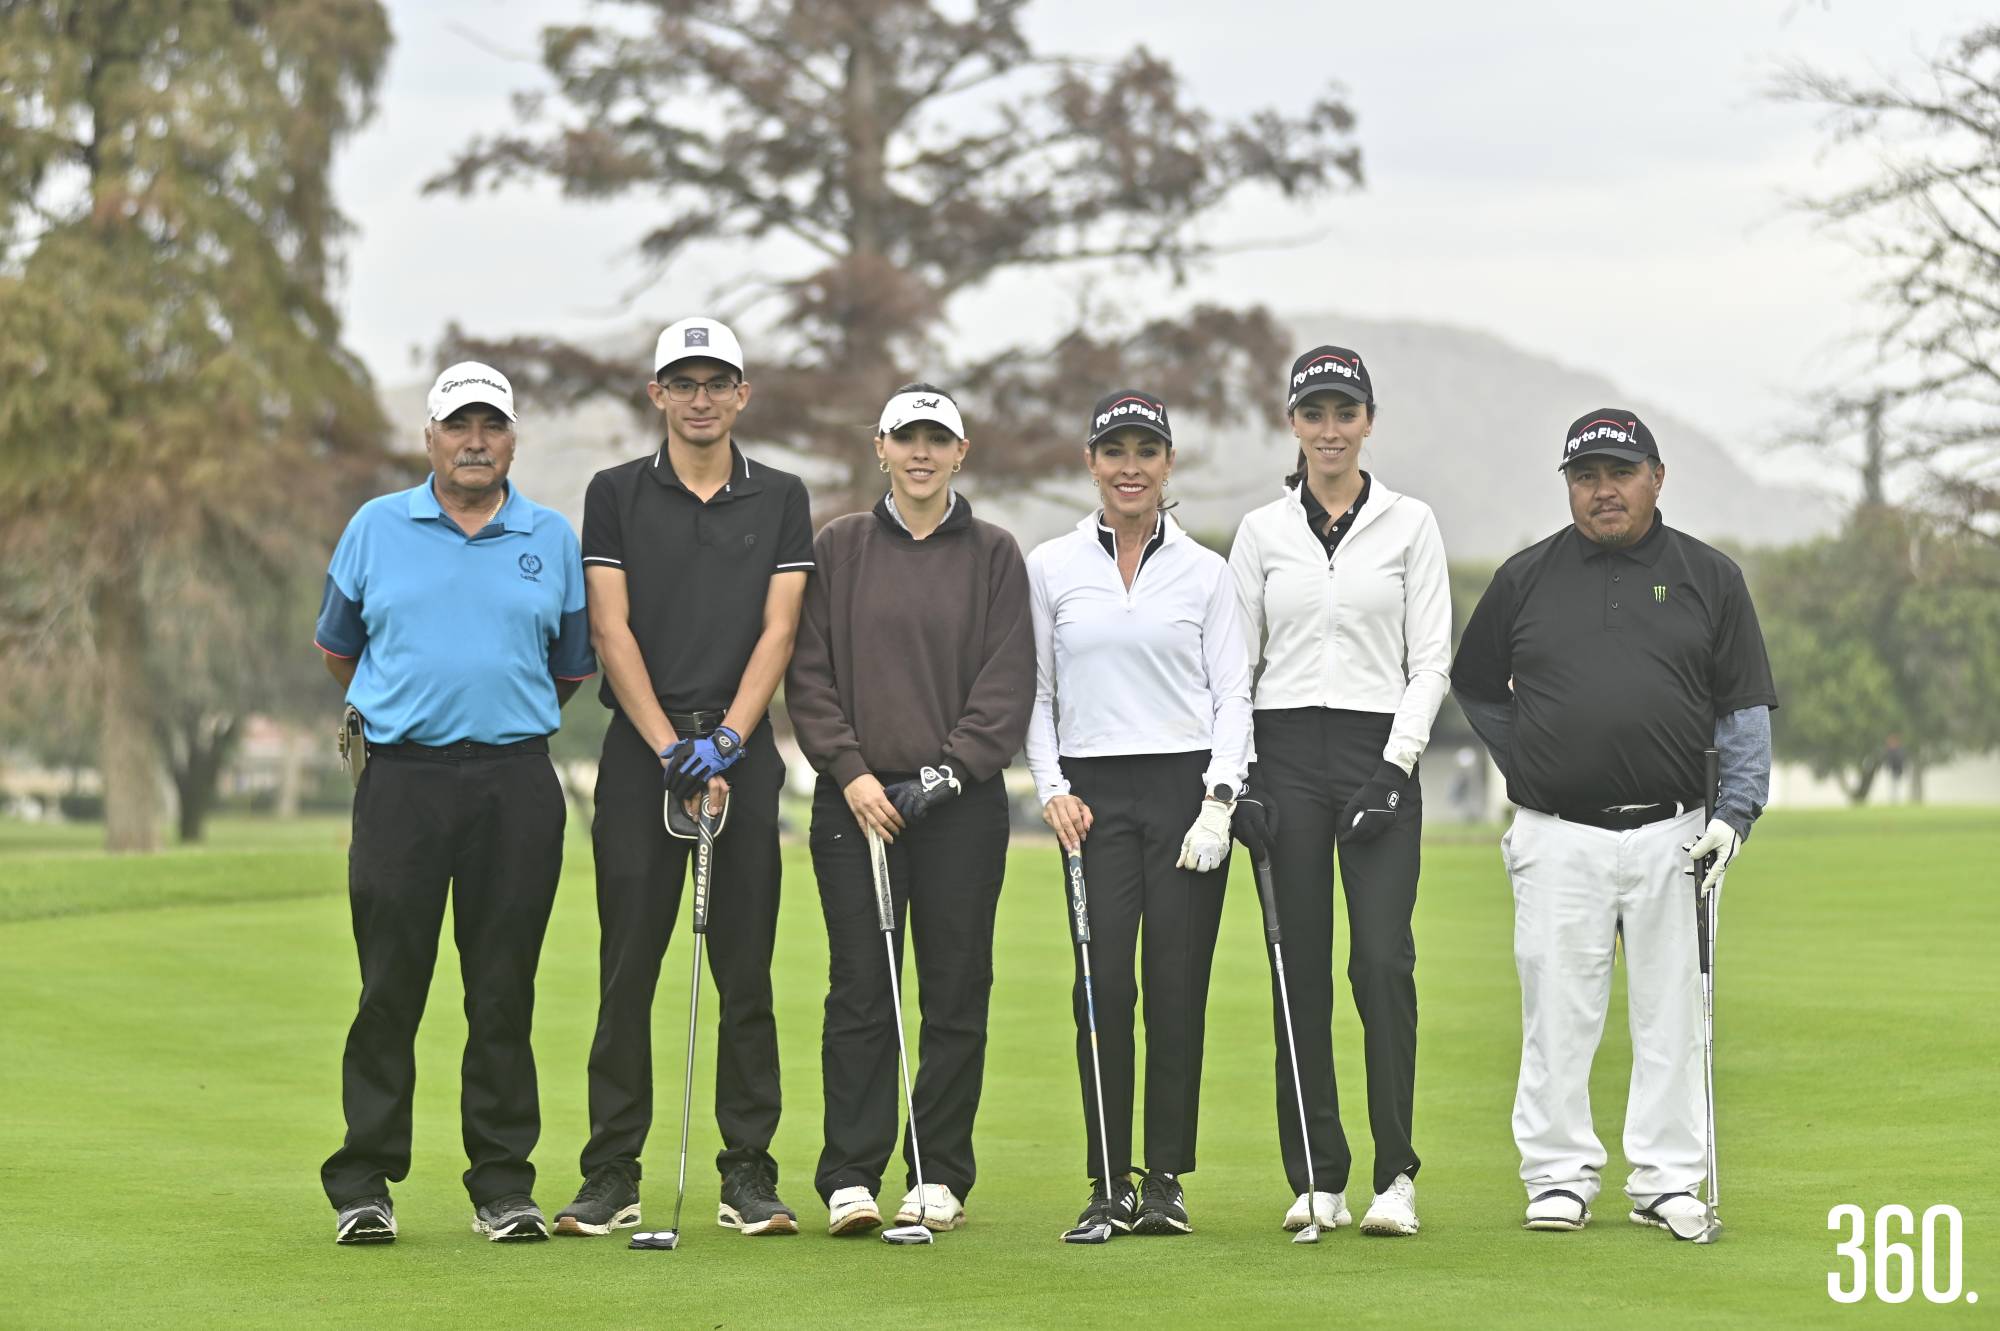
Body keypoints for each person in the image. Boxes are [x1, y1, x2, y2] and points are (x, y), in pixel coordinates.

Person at [1449, 409, 1776, 1238]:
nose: (1603, 490)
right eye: (1585, 476)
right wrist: (1527, 757)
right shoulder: (1524, 578)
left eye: (1619, 473)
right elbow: (1478, 685)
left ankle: (1666, 1179)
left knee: (1674, 1012)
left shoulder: (1711, 576)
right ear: (1567, 485)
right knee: (1557, 1010)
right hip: (1557, 832)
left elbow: (1742, 709)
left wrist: (1735, 814)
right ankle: (1559, 1175)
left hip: (1679, 832)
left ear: (1656, 478)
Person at [315, 362, 596, 1245]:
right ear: (430, 437)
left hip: (515, 779)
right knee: (389, 986)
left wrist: (490, 708)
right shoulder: (375, 527)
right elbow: (339, 650)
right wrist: (411, 705)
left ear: (513, 439)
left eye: (492, 426)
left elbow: (572, 665)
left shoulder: (548, 536)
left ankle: (503, 1186)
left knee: (502, 989)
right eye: (458, 425)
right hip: (401, 782)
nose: (475, 441)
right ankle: (365, 1182)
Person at [554, 317, 815, 1239]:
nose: (701, 397)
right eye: (684, 381)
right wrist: (669, 749)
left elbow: (779, 631)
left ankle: (748, 1172)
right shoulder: (615, 492)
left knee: (745, 973)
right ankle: (611, 1171)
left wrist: (732, 742)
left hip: (741, 760)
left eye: (718, 381)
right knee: (627, 968)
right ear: (657, 394)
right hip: (641, 760)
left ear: (743, 394)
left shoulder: (781, 494)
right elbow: (611, 630)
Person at [785, 383, 1035, 1236]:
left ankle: (937, 1172)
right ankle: (850, 1172)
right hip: (856, 805)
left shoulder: (996, 553)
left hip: (958, 807)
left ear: (961, 452)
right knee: (861, 987)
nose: (922, 452)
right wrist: (852, 774)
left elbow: (1005, 687)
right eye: (906, 437)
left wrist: (942, 777)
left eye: (938, 439)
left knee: (957, 988)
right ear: (880, 448)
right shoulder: (841, 546)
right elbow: (809, 676)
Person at [1226, 344, 1451, 1238]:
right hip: (1282, 753)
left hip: (1375, 752)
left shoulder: (1410, 524)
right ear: (1293, 424)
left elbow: (1429, 659)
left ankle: (1395, 1173)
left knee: (1382, 963)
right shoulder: (1260, 533)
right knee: (1299, 967)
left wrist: (1396, 766)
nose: (1329, 430)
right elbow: (1233, 670)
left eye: (1344, 413)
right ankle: (1319, 1174)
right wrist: (1236, 775)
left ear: (1367, 423)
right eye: (1313, 414)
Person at [1026, 388, 1253, 1238]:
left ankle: (1163, 1179)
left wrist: (1220, 797)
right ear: (1091, 463)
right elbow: (1039, 693)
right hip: (1090, 797)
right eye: (1114, 452)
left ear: (1167, 466)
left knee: (1175, 989)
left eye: (1145, 452)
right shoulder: (1050, 566)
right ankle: (1105, 1180)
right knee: (1102, 988)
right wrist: (1051, 785)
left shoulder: (1206, 571)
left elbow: (1233, 693)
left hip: (1186, 793)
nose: (1130, 467)